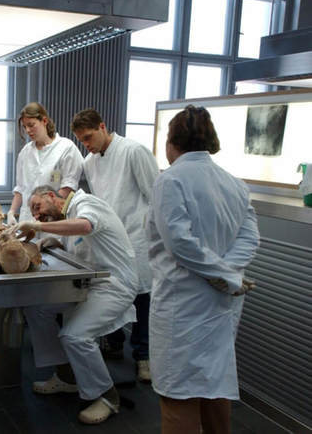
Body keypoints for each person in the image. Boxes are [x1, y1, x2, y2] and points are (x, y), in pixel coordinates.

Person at [145, 105, 259, 434]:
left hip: (183, 304)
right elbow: (250, 237)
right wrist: (229, 274)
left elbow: (180, 243)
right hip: (223, 303)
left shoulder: (170, 179)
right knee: (215, 386)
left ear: (171, 142)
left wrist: (223, 275)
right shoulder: (235, 184)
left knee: (177, 395)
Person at [14, 185, 139, 425]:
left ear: (52, 196)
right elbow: (80, 246)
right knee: (36, 308)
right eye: (34, 214)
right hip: (87, 284)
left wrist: (37, 227)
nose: (37, 215)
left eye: (37, 207)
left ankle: (106, 396)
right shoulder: (67, 216)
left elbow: (85, 227)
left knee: (75, 336)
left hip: (113, 285)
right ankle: (66, 376)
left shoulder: (86, 203)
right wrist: (50, 242)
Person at [71, 108, 159, 382]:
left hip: (137, 236)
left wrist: (157, 239)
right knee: (109, 292)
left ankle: (143, 356)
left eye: (88, 137)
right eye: (81, 141)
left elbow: (156, 195)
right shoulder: (90, 162)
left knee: (142, 297)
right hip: (109, 240)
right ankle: (114, 343)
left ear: (102, 126)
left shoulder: (134, 151)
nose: (86, 145)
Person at [7, 102, 83, 225]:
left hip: (53, 220)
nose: (28, 130)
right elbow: (20, 189)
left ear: (44, 121)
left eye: (31, 125)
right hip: (27, 219)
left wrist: (43, 209)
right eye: (25, 127)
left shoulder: (66, 148)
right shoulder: (25, 152)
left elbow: (68, 188)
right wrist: (11, 212)